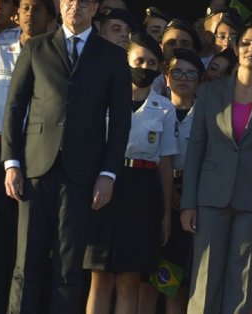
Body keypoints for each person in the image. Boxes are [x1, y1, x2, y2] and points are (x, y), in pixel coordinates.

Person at [0, 0, 132, 312]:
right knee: (26, 264)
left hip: (83, 173)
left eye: (83, 2)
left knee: (69, 268)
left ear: (95, 7)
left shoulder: (112, 56)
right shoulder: (37, 48)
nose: (75, 6)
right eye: (68, 0)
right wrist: (12, 162)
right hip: (35, 169)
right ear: (60, 5)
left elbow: (121, 121)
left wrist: (108, 173)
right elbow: (14, 108)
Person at [180, 21, 252, 314]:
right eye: (245, 43)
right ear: (235, 48)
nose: (251, 50)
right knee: (205, 279)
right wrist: (187, 203)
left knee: (242, 283)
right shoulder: (210, 92)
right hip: (210, 195)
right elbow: (195, 151)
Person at [84, 32, 176, 314]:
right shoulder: (103, 97)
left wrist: (166, 213)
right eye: (139, 60)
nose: (144, 68)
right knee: (100, 276)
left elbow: (165, 163)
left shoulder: (164, 108)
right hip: (105, 183)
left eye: (151, 63)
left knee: (129, 279)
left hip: (142, 191)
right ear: (125, 61)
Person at [0, 1, 54, 312]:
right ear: (16, 14)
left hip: (37, 155)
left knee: (30, 248)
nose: (31, 15)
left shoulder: (58, 58)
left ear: (51, 16)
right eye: (25, 8)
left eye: (38, 9)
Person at [142, 48, 205, 314]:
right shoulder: (153, 109)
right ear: (166, 77)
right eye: (177, 72)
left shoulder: (206, 117)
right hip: (151, 193)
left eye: (191, 74)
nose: (183, 78)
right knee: (143, 277)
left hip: (188, 198)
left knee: (175, 279)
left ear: (199, 81)